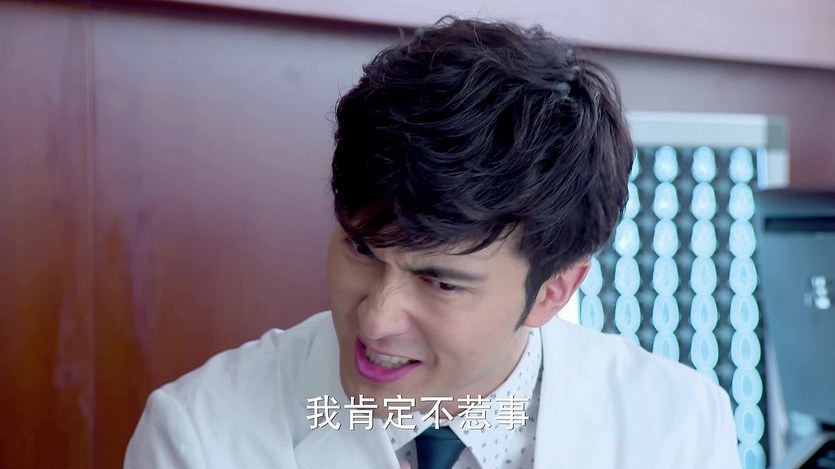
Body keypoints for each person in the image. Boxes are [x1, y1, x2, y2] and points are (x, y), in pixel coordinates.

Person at [124, 17, 741, 469]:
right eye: (362, 249)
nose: (376, 318)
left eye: (440, 281)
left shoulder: (677, 429)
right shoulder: (201, 435)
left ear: (553, 292)